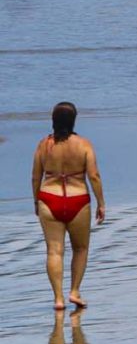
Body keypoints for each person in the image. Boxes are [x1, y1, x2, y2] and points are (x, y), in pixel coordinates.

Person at [31, 101, 102, 315]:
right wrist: (101, 202)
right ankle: (74, 291)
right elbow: (94, 176)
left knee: (54, 250)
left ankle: (59, 299)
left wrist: (36, 201)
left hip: (49, 199)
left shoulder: (43, 145)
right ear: (73, 121)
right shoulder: (84, 144)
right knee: (80, 249)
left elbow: (36, 176)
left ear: (53, 121)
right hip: (77, 199)